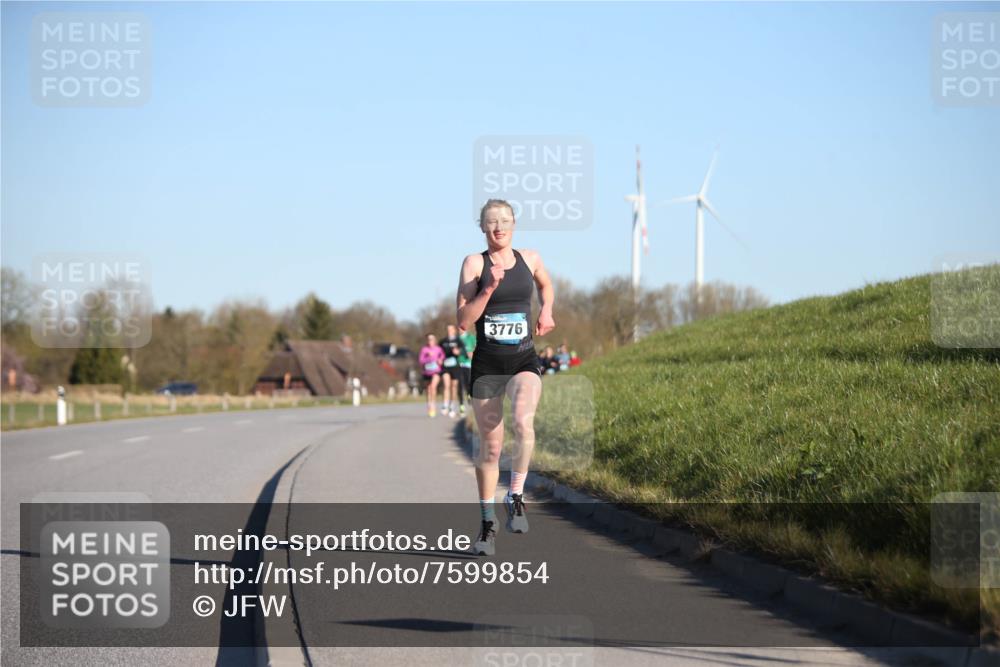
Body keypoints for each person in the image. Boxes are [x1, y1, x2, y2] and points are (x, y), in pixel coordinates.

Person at [456, 198, 555, 555]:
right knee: (492, 446)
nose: (498, 227)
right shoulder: (474, 263)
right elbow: (464, 320)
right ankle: (487, 523)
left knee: (523, 422)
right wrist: (488, 288)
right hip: (487, 365)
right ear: (482, 227)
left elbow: (547, 285)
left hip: (522, 359)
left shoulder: (530, 258)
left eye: (504, 220)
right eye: (491, 221)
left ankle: (515, 495)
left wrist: (547, 311)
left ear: (514, 224)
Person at [440, 324, 466, 419]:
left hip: (455, 366)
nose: (449, 331)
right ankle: (445, 404)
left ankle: (452, 406)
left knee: (454, 386)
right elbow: (438, 352)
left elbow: (464, 350)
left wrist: (459, 352)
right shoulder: (443, 341)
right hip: (446, 366)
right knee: (446, 385)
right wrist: (439, 359)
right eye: (447, 330)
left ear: (454, 331)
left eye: (451, 330)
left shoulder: (458, 340)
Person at [418, 334, 445, 417]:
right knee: (428, 389)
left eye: (432, 339)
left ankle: (433, 405)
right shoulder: (424, 349)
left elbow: (442, 357)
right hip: (427, 372)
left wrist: (440, 360)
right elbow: (421, 361)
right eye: (429, 339)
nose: (430, 341)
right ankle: (430, 405)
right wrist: (428, 357)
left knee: (433, 387)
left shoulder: (438, 349)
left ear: (435, 340)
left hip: (436, 371)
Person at [458, 325, 477, 416]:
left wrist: (473, 353)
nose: (460, 329)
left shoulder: (471, 337)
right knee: (460, 385)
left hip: (469, 364)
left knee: (469, 383)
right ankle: (461, 406)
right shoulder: (456, 339)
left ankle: (469, 395)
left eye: (462, 328)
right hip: (459, 365)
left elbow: (477, 347)